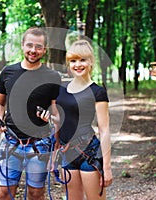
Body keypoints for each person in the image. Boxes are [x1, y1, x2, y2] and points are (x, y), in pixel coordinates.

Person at [0, 27, 61, 200]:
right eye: (29, 45)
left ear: (44, 50)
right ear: (22, 45)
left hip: (40, 145)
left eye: (38, 47)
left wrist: (51, 118)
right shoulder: (8, 72)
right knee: (4, 194)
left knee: (35, 194)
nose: (33, 50)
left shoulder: (53, 76)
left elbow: (56, 112)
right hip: (10, 142)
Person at [55, 39, 112, 200]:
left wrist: (106, 167)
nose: (77, 65)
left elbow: (104, 129)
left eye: (82, 60)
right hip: (67, 153)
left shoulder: (98, 91)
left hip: (90, 152)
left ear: (91, 62)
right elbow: (62, 119)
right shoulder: (61, 90)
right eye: (73, 60)